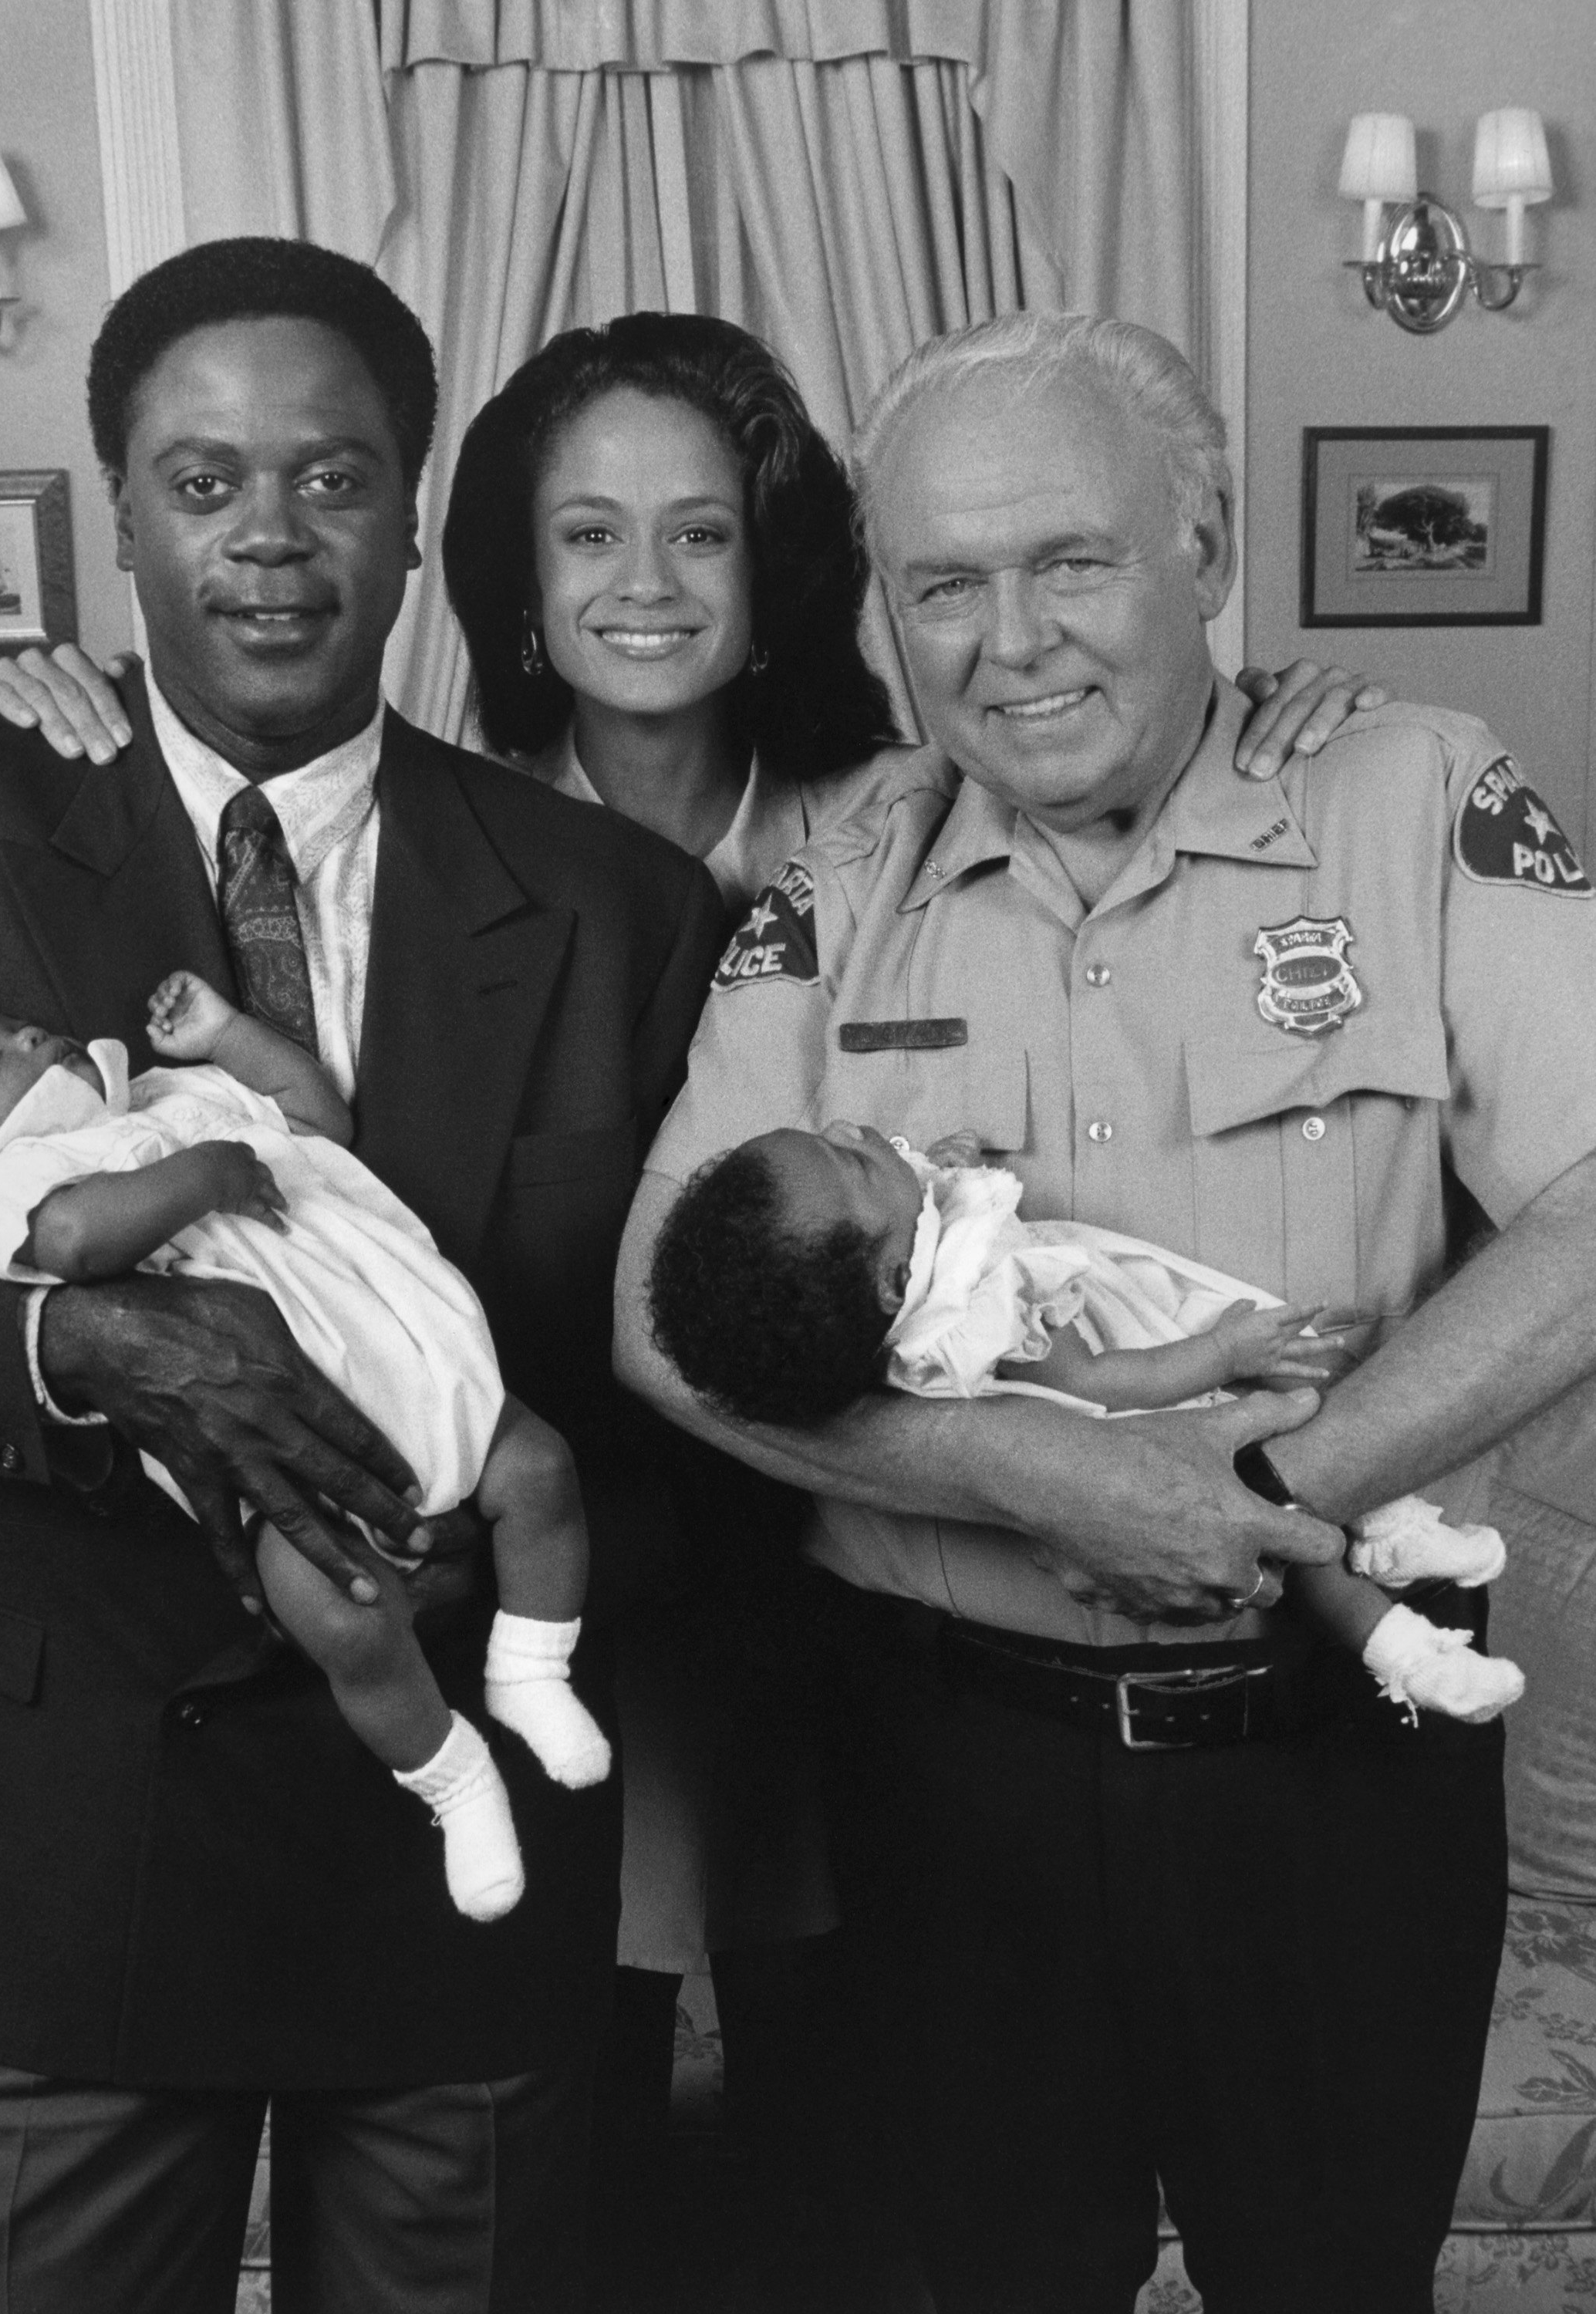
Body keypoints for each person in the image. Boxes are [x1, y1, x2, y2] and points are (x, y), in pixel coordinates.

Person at [0, 307, 1389, 2302]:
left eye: (704, 535)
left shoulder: (914, 811)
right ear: (511, 583)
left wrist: (1271, 715)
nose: (646, 588)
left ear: (779, 563)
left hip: (847, 1554)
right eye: (585, 539)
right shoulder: (432, 829)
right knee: (589, 2124)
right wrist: (91, 696)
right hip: (565, 1542)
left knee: (861, 2121)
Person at [612, 309, 1596, 2314]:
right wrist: (1027, 1472)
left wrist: (1259, 1481)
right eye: (942, 585)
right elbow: (658, 1304)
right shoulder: (836, 867)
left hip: (1333, 1763)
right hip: (932, 1779)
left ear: (1204, 548)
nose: (1011, 639)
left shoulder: (1414, 798)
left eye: (1069, 561)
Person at [0, 236, 727, 2314]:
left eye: (331, 477)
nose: (269, 539)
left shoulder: (615, 903)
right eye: (201, 481)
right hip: (72, 1854)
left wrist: (523, 1579)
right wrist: (85, 1337)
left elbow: (686, 1386)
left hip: (461, 1884)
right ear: (116, 504)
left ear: (411, 515)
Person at [0, 973, 616, 1921]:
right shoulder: (2, 1194)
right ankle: (453, 1779)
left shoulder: (172, 1094)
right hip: (283, 1442)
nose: (28, 1034)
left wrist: (228, 1034)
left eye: (12, 1025)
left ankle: (532, 1670)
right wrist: (207, 1173)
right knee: (345, 1617)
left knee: (541, 1471)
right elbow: (78, 1241)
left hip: (416, 1357)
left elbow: (314, 1113)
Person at [646, 1118, 1523, 1722]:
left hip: (1140, 1389)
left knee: (1299, 1466)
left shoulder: (892, 1260)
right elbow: (1108, 1381)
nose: (849, 1130)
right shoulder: (974, 1315)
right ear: (890, 1286)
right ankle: (1406, 1644)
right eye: (853, 1164)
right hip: (1161, 1404)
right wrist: (1225, 1353)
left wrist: (935, 1167)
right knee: (1282, 1513)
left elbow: (929, 1192)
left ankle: (1395, 1535)